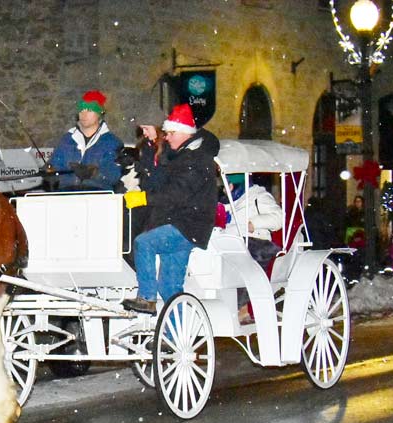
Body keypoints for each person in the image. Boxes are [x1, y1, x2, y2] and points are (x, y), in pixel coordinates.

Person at [122, 103, 219, 314]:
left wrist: (144, 198)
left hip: (185, 226)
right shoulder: (185, 156)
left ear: (185, 133)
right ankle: (175, 333)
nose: (167, 138)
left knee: (143, 243)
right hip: (187, 227)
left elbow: (176, 194)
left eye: (172, 133)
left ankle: (146, 297)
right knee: (169, 288)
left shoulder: (194, 159)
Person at [223, 173, 283, 322]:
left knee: (245, 266)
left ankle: (239, 304)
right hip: (232, 242)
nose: (225, 189)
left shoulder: (259, 196)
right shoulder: (227, 203)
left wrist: (254, 223)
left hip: (256, 241)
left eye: (228, 185)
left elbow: (278, 218)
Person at [48, 89, 123, 191]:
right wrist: (49, 171)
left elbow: (113, 176)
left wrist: (93, 173)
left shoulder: (111, 143)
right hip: (67, 195)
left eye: (89, 110)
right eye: (81, 109)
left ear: (100, 113)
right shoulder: (67, 140)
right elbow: (55, 166)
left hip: (97, 195)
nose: (84, 114)